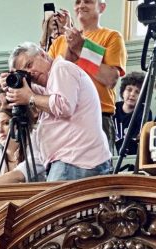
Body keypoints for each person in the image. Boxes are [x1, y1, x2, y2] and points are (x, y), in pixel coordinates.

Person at [0, 41, 112, 183]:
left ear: (43, 55)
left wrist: (30, 98)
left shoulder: (61, 69)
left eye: (30, 64)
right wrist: (11, 85)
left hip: (75, 162)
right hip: (73, 163)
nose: (30, 73)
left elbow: (63, 105)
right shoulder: (49, 85)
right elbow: (36, 95)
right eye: (25, 72)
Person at [47, 0, 127, 149]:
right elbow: (49, 80)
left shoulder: (112, 36)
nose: (81, 5)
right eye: (77, 2)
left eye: (88, 2)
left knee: (97, 173)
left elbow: (110, 78)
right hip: (63, 119)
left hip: (97, 117)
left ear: (102, 7)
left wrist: (80, 49)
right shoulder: (59, 42)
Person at [114, 72, 145, 155]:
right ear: (123, 92)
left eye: (137, 92)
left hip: (134, 158)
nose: (132, 94)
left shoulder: (144, 111)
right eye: (129, 90)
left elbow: (142, 137)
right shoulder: (113, 109)